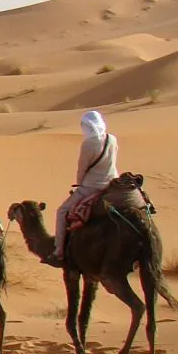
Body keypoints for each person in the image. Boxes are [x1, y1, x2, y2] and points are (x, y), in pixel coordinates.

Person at [44, 110, 119, 267]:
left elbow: (82, 169)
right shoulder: (112, 139)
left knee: (62, 211)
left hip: (91, 187)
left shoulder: (89, 144)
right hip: (112, 186)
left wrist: (79, 183)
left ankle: (58, 251)